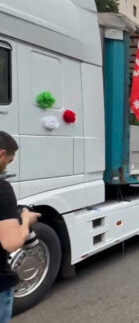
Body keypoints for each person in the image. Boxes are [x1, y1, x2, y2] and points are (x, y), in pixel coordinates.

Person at [0, 132, 42, 321]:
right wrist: (25, 219)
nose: (6, 167)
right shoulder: (2, 189)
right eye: (8, 161)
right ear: (1, 154)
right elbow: (12, 243)